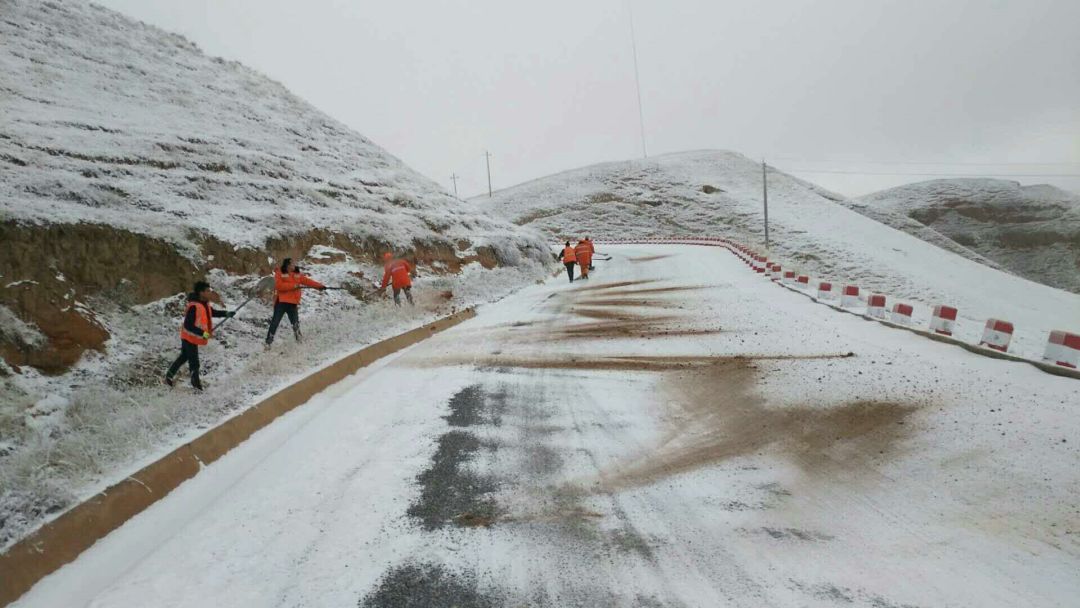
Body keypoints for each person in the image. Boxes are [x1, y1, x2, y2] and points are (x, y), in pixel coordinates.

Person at [165, 281, 233, 390]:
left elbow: (212, 312)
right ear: (201, 293)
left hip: (191, 336)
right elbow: (188, 325)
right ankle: (196, 385)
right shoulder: (194, 306)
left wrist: (225, 314)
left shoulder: (204, 304)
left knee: (184, 357)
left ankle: (169, 376)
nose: (210, 293)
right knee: (194, 362)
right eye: (207, 291)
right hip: (189, 336)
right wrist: (203, 333)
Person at [266, 257, 325, 347]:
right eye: (292, 264)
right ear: (287, 265)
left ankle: (299, 342)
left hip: (292, 303)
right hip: (281, 302)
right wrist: (294, 285)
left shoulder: (297, 274)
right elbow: (279, 286)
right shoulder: (279, 273)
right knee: (275, 322)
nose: (294, 265)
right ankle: (268, 343)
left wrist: (319, 286)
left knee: (295, 324)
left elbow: (307, 281)